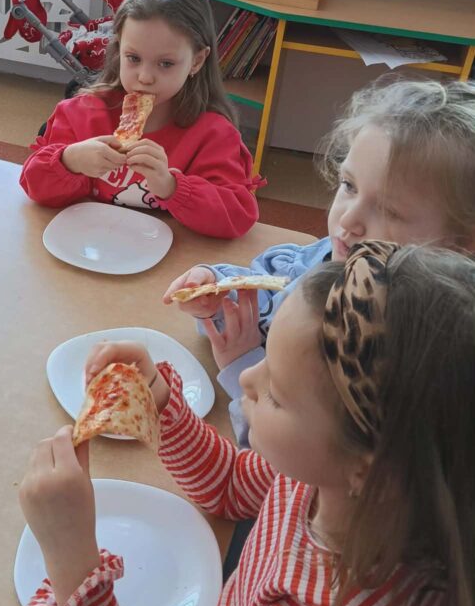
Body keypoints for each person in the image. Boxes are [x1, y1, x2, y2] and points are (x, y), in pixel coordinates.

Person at [19, 242, 475, 606]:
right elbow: (231, 485)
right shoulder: (342, 484)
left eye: (275, 392)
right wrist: (158, 399)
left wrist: (71, 558)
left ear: (366, 466)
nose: (246, 379)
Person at [163, 77, 475, 446]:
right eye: (349, 186)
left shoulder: (399, 360)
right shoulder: (326, 256)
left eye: (389, 210)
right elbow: (267, 290)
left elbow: (295, 458)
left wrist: (241, 364)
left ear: (460, 247)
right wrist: (218, 293)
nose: (348, 219)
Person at [19, 0, 262, 239]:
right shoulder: (81, 113)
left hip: (171, 254)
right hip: (90, 244)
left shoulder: (214, 134)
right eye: (133, 58)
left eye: (165, 64)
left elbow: (237, 216)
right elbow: (34, 185)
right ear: (118, 49)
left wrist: (171, 186)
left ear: (197, 61)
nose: (145, 77)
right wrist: (70, 161)